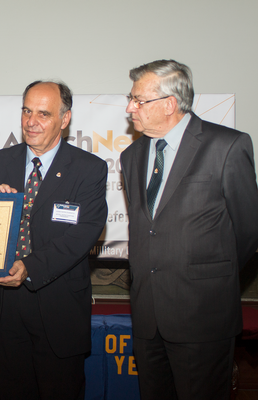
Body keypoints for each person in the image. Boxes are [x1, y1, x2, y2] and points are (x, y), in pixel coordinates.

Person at [120, 59, 258, 400]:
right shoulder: (132, 155)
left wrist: (206, 276)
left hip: (202, 315)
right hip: (148, 317)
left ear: (169, 104)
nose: (129, 108)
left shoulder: (226, 146)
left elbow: (248, 230)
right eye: (131, 98)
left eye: (139, 100)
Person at [0, 80, 108, 399]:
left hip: (58, 307)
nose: (31, 121)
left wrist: (29, 266)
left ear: (64, 119)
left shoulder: (89, 169)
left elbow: (84, 233)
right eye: (27, 111)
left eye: (43, 113)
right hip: (6, 307)